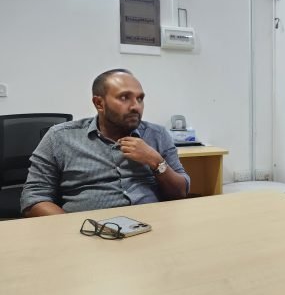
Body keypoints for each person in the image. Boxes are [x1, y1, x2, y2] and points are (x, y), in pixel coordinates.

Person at [21, 69, 190, 216]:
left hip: (152, 227)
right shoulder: (60, 137)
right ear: (99, 103)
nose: (135, 106)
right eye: (124, 98)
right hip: (89, 235)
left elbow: (180, 192)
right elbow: (34, 198)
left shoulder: (157, 135)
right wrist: (74, 228)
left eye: (140, 99)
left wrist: (156, 162)